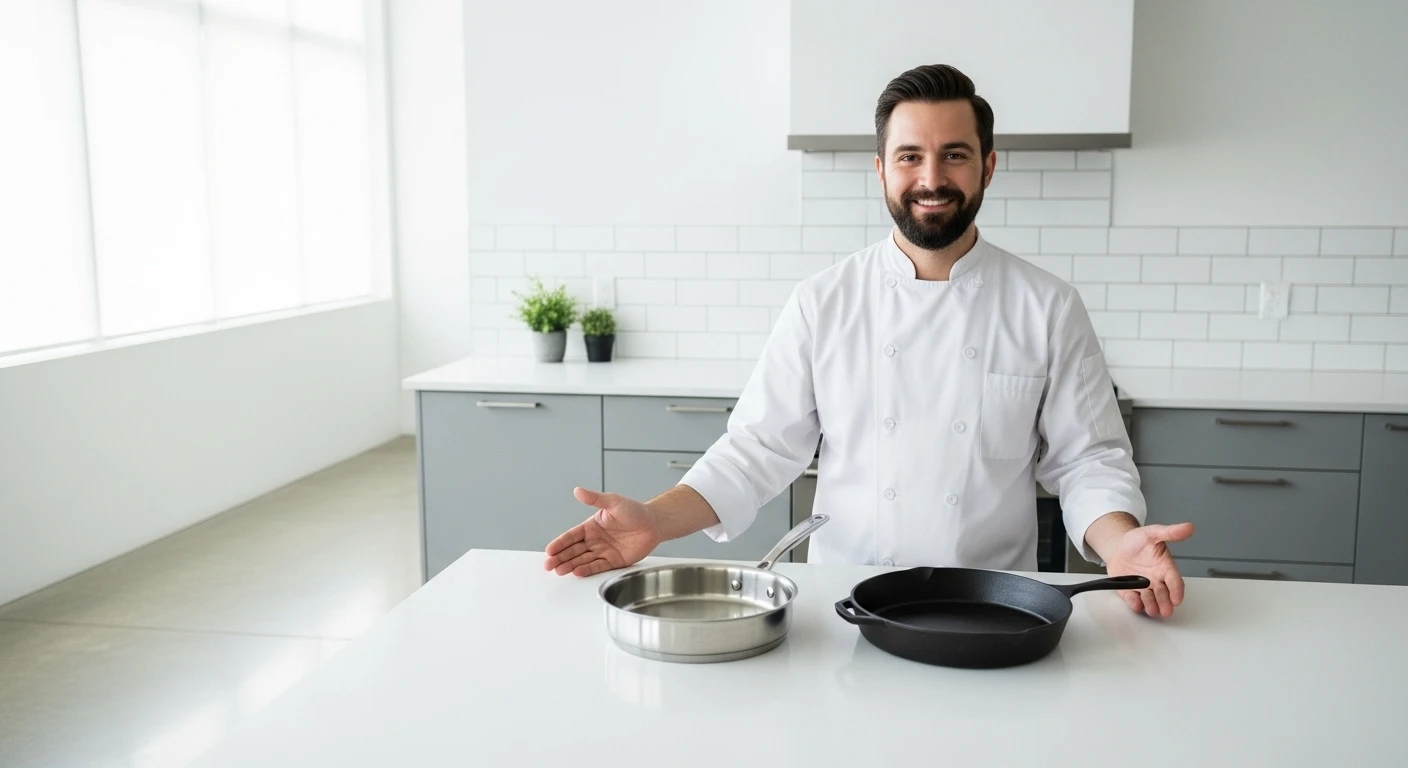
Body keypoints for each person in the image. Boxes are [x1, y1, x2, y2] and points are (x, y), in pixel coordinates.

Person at [544, 63, 1194, 618]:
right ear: (881, 169)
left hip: (993, 609)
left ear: (988, 166)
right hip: (850, 604)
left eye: (955, 154)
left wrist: (1118, 546)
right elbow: (756, 450)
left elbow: (1088, 462)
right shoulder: (824, 302)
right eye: (911, 156)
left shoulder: (1047, 306)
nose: (931, 177)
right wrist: (655, 523)